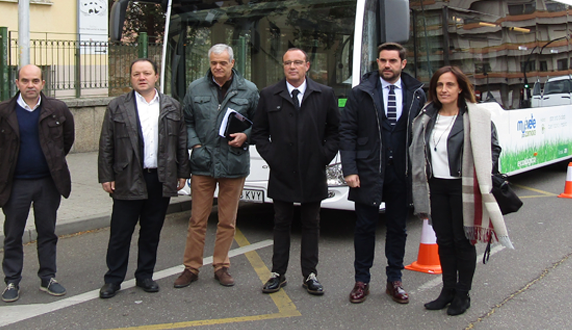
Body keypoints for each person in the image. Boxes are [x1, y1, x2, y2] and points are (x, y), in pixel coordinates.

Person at [409, 65, 514, 316]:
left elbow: (493, 148)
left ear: (460, 88)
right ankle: (447, 290)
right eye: (439, 85)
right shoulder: (426, 116)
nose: (444, 90)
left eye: (449, 85)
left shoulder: (476, 116)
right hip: (436, 186)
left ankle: (462, 294)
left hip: (464, 186)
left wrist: (483, 175)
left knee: (463, 240)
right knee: (444, 241)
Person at [339, 42, 426, 305]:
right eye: (382, 61)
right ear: (377, 62)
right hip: (367, 172)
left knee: (398, 229)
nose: (387, 65)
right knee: (364, 228)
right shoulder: (360, 93)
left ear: (403, 63)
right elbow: (347, 132)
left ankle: (394, 281)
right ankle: (361, 281)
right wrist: (350, 169)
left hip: (403, 172)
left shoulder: (418, 93)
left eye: (392, 61)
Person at [97, 59, 190, 299]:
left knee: (151, 231)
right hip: (127, 177)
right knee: (120, 232)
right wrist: (106, 175)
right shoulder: (117, 106)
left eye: (146, 73)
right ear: (131, 78)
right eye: (137, 74)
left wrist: (182, 173)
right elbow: (106, 143)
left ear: (156, 76)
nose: (142, 77)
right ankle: (113, 279)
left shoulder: (172, 106)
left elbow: (181, 142)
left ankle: (145, 275)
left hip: (159, 177)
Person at [252, 48, 341, 295]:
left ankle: (310, 274)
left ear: (307, 65)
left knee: (311, 223)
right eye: (288, 63)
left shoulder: (324, 94)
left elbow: (335, 131)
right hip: (282, 171)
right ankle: (278, 274)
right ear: (283, 66)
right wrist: (273, 157)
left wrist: (323, 156)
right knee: (281, 222)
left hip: (313, 171)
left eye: (298, 62)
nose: (293, 66)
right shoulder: (269, 95)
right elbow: (259, 133)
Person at [0, 64, 75, 303]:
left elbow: (67, 141)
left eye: (35, 81)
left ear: (43, 84)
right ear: (17, 84)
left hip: (48, 182)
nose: (30, 85)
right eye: (25, 81)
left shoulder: (57, 109)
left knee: (47, 232)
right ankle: (12, 281)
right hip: (16, 185)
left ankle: (48, 278)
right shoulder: (2, 112)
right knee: (13, 235)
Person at [174, 43, 259, 288]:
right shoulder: (196, 88)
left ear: (233, 63)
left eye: (223, 62)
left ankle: (221, 266)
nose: (218, 67)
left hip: (234, 163)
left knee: (227, 220)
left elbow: (261, 122)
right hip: (202, 163)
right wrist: (196, 147)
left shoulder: (249, 90)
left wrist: (247, 135)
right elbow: (186, 121)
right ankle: (191, 267)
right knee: (197, 220)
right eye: (213, 63)